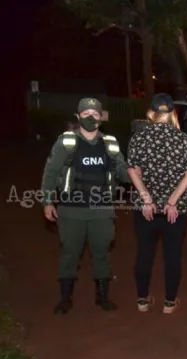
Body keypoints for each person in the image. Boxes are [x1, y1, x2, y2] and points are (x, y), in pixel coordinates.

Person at [41, 98, 130, 315]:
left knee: (102, 253)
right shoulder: (66, 142)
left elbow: (122, 171)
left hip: (102, 209)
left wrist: (136, 172)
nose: (91, 117)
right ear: (78, 115)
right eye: (86, 112)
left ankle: (102, 298)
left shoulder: (110, 143)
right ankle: (65, 299)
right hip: (71, 209)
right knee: (70, 254)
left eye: (96, 113)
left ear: (102, 117)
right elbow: (51, 172)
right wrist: (47, 201)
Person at [127, 93, 187, 314]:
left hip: (146, 209)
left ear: (151, 113)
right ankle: (169, 302)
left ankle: (142, 301)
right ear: (173, 114)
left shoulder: (139, 137)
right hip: (174, 211)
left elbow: (132, 170)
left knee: (144, 253)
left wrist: (146, 198)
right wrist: (172, 201)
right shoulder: (183, 139)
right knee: (173, 256)